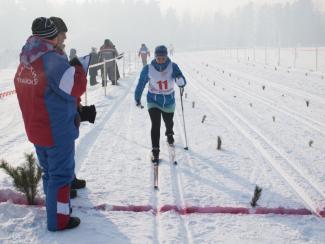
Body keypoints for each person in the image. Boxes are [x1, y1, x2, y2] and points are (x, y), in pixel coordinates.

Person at [14, 17, 87, 231]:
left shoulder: (26, 59)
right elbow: (74, 87)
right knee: (62, 176)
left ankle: (54, 209)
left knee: (49, 173)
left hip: (36, 127)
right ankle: (60, 220)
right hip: (55, 129)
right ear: (53, 37)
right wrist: (79, 70)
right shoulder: (52, 60)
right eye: (59, 35)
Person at [50, 17, 87, 197]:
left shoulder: (59, 53)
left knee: (68, 148)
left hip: (67, 107)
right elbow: (64, 86)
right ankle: (64, 185)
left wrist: (77, 105)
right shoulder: (51, 57)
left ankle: (70, 178)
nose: (65, 37)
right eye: (63, 34)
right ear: (54, 34)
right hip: (58, 112)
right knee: (60, 152)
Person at [134, 45, 186, 162]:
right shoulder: (148, 68)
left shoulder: (173, 66)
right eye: (158, 58)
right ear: (155, 57)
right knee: (155, 125)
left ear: (166, 56)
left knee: (169, 122)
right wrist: (137, 98)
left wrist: (181, 81)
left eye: (163, 58)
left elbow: (181, 79)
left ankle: (169, 134)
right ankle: (155, 151)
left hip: (168, 101)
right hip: (153, 100)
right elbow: (141, 83)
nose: (161, 60)